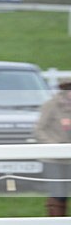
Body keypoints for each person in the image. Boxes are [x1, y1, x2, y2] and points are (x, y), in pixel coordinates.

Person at [34, 79, 71, 216]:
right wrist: (52, 145)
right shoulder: (51, 105)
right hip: (53, 158)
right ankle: (56, 219)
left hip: (69, 157)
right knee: (57, 191)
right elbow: (39, 129)